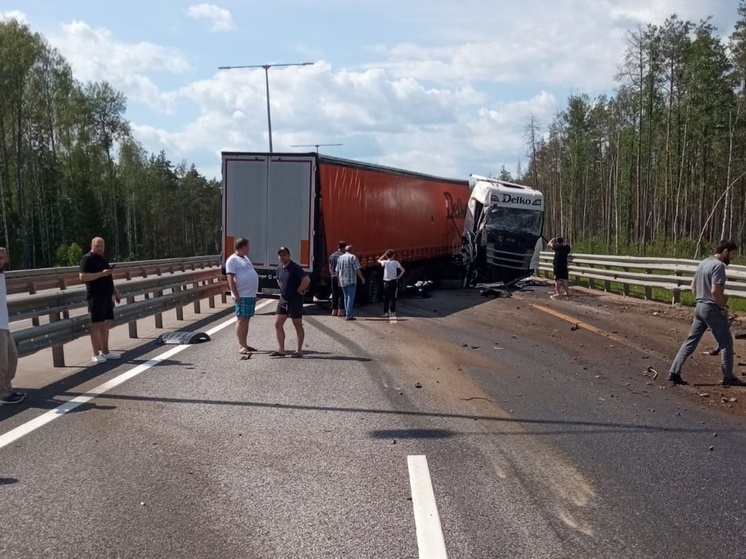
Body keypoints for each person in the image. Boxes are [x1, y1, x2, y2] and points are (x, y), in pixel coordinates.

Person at [669, 240, 746, 387]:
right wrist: (722, 308)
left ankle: (674, 371)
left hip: (699, 306)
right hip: (711, 307)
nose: (733, 257)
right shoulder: (719, 266)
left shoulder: (703, 263)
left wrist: (700, 299)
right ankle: (728, 377)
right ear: (725, 252)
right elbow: (715, 291)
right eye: (733, 254)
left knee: (691, 341)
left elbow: (693, 285)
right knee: (726, 343)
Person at [79, 237, 121, 364]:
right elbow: (82, 277)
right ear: (92, 245)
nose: (100, 248)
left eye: (102, 246)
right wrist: (101, 274)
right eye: (97, 246)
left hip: (106, 295)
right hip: (95, 296)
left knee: (106, 323)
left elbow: (108, 276)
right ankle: (95, 354)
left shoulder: (102, 259)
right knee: (97, 323)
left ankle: (106, 351)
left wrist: (115, 291)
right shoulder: (87, 259)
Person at [271, 247, 310, 358]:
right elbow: (278, 279)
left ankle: (298, 350)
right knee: (277, 324)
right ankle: (281, 350)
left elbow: (306, 279)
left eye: (284, 255)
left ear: (289, 255)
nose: (282, 257)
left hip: (295, 300)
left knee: (297, 324)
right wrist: (283, 289)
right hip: (283, 300)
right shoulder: (279, 268)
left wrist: (299, 289)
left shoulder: (295, 268)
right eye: (280, 255)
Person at [225, 237, 260, 356]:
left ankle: (245, 343)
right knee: (241, 319)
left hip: (250, 295)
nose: (249, 249)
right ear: (243, 247)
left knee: (247, 319)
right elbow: (230, 278)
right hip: (242, 295)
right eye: (247, 247)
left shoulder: (245, 258)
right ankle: (241, 345)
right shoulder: (232, 260)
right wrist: (235, 294)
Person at [0, 248, 24, 404]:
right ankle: (3, 393)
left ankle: (7, 389)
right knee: (1, 363)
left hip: (4, 325)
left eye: (1, 257)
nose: (0, 260)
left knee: (12, 358)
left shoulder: (2, 275)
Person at [336, 245, 365, 321]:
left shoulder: (340, 258)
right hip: (351, 280)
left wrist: (338, 280)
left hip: (343, 280)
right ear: (351, 250)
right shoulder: (353, 257)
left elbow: (337, 270)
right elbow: (357, 269)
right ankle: (349, 315)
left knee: (345, 297)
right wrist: (362, 278)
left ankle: (347, 313)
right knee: (350, 298)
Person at [378, 249, 405, 317]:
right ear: (393, 255)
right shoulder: (396, 263)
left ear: (387, 256)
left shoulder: (385, 262)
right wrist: (398, 276)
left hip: (386, 282)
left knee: (386, 298)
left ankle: (385, 312)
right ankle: (393, 312)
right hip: (394, 281)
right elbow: (403, 270)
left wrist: (384, 254)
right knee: (393, 298)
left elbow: (378, 260)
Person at [328, 240, 346, 317]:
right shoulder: (342, 257)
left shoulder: (331, 256)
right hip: (340, 276)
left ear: (338, 247)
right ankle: (340, 311)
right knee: (341, 294)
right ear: (344, 247)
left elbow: (329, 267)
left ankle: (333, 310)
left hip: (332, 276)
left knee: (334, 294)